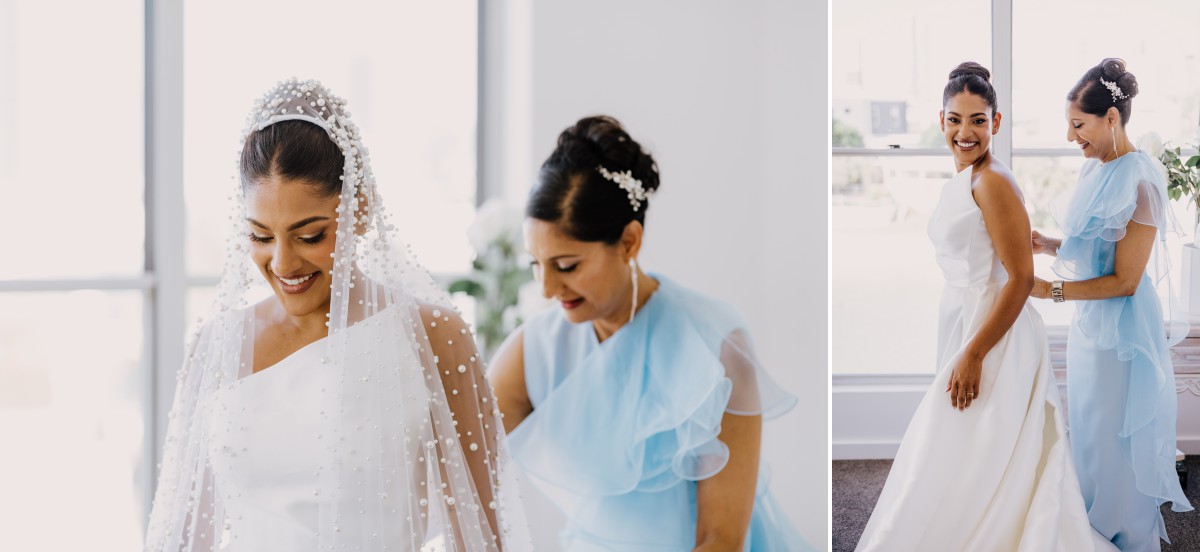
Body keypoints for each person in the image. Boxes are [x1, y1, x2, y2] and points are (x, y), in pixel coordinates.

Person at [143, 79, 531, 552]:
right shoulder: (217, 345)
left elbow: (480, 535)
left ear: (360, 211)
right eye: (261, 237)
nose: (283, 264)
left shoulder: (432, 337)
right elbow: (187, 535)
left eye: (308, 235)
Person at [487, 116, 809, 551]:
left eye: (566, 266)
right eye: (535, 264)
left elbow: (721, 539)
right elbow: (459, 465)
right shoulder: (531, 351)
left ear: (629, 242)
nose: (546, 289)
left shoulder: (715, 344)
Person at [856, 63, 1113, 551]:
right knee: (964, 449)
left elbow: (1019, 281)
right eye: (955, 119)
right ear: (941, 121)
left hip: (993, 333)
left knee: (977, 448)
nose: (965, 131)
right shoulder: (969, 177)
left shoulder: (993, 181)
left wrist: (974, 354)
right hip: (963, 317)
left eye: (977, 120)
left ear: (996, 123)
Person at [1030, 58, 1193, 551]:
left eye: (1078, 125)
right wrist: (1050, 243)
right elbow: (1098, 244)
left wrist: (1048, 290)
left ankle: (1124, 535)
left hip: (1121, 332)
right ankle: (1092, 531)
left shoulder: (1140, 180)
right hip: (1089, 325)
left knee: (1115, 438)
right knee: (1091, 429)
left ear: (1112, 119)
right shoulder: (1096, 170)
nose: (1070, 137)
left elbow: (1124, 279)